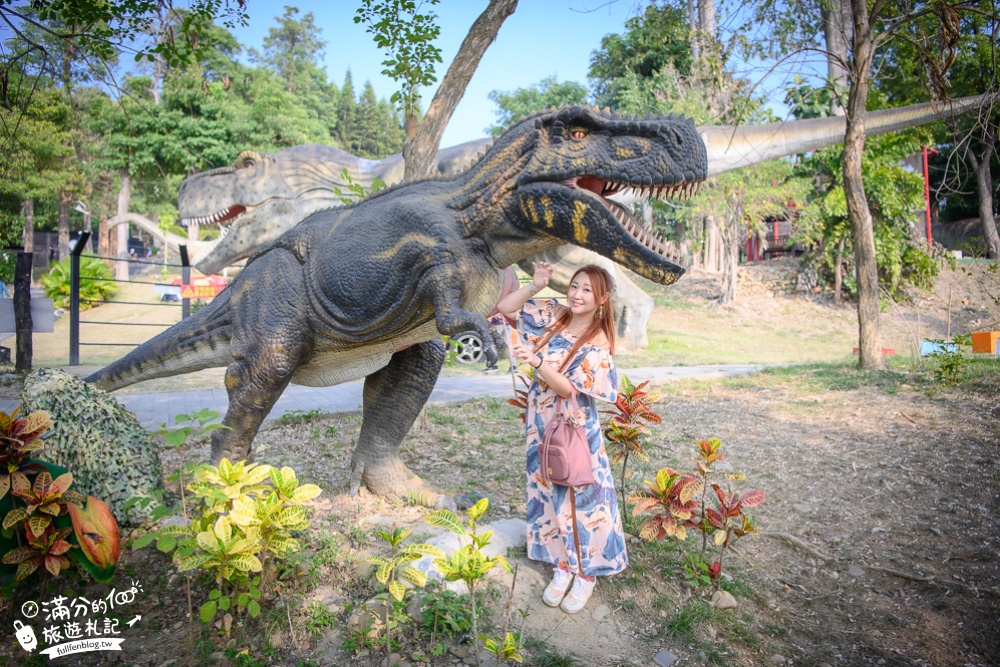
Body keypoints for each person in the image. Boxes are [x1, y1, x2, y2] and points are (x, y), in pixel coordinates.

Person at [496, 261, 624, 614]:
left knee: (581, 497)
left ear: (602, 298)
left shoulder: (597, 341)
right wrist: (535, 285)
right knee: (548, 491)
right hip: (542, 421)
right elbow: (506, 309)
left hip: (573, 426)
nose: (578, 295)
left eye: (587, 290)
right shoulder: (554, 313)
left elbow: (569, 388)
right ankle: (563, 563)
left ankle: (587, 573)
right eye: (574, 286)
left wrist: (537, 362)